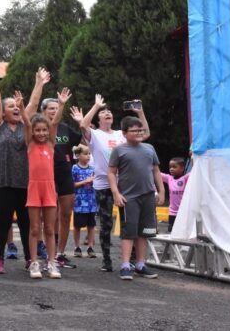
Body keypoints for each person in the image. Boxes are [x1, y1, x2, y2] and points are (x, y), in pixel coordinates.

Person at [75, 94, 150, 273]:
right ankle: (107, 260)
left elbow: (144, 133)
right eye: (103, 112)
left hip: (125, 185)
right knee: (107, 224)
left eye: (109, 111)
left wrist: (140, 113)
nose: (107, 113)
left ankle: (131, 259)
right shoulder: (95, 135)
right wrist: (95, 106)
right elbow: (83, 125)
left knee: (129, 223)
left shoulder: (120, 134)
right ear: (99, 118)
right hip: (103, 186)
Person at [0, 69, 46, 274]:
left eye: (16, 105)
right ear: (3, 112)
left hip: (24, 183)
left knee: (26, 224)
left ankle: (30, 259)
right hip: (1, 183)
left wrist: (39, 82)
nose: (15, 107)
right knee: (2, 224)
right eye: (10, 106)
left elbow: (33, 104)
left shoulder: (25, 125)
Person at [20, 88, 71, 279]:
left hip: (49, 188)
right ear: (32, 132)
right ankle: (34, 263)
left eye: (44, 130)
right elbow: (25, 122)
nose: (41, 133)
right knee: (35, 229)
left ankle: (51, 262)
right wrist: (21, 107)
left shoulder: (50, 144)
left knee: (50, 228)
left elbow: (55, 121)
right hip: (34, 188)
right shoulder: (30, 144)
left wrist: (62, 104)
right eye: (38, 130)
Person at [108, 116, 165, 280]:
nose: (139, 132)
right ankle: (125, 265)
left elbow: (156, 171)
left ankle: (141, 264)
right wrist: (116, 193)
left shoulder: (149, 148)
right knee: (129, 232)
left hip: (147, 196)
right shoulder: (119, 150)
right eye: (134, 130)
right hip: (128, 198)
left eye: (140, 130)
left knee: (144, 232)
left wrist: (161, 191)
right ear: (125, 133)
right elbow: (111, 173)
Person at [38, 88, 84, 269]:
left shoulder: (65, 128)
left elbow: (85, 139)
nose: (55, 111)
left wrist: (83, 121)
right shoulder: (39, 129)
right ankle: (46, 250)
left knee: (65, 215)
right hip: (46, 174)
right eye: (51, 108)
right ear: (43, 111)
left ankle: (60, 253)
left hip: (65, 174)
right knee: (49, 216)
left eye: (57, 108)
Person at [71, 144, 97, 258]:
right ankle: (77, 246)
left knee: (91, 226)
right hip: (79, 203)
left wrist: (93, 182)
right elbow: (72, 185)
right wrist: (85, 182)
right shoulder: (74, 168)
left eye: (89, 154)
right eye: (85, 154)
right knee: (77, 226)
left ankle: (90, 246)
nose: (88, 156)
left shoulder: (93, 169)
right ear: (78, 156)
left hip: (92, 202)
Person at [161, 157, 190, 232]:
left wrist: (193, 157)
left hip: (183, 212)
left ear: (182, 168)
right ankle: (172, 244)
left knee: (182, 231)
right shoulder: (169, 178)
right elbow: (156, 173)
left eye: (174, 167)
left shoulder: (185, 178)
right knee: (171, 230)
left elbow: (195, 171)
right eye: (170, 167)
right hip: (172, 212)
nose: (171, 169)